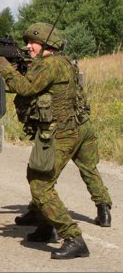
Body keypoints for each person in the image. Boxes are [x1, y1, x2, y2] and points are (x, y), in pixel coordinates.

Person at [0, 22, 90, 259]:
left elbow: (24, 88)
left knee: (40, 186)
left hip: (60, 135)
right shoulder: (60, 62)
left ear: (47, 45)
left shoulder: (51, 65)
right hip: (64, 132)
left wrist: (1, 63)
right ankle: (47, 227)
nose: (28, 47)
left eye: (32, 43)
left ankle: (73, 237)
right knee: (35, 174)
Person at [14, 73, 112, 228]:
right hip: (83, 123)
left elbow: (23, 86)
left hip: (68, 130)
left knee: (44, 175)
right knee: (89, 169)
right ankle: (104, 209)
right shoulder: (67, 70)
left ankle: (42, 216)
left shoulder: (47, 70)